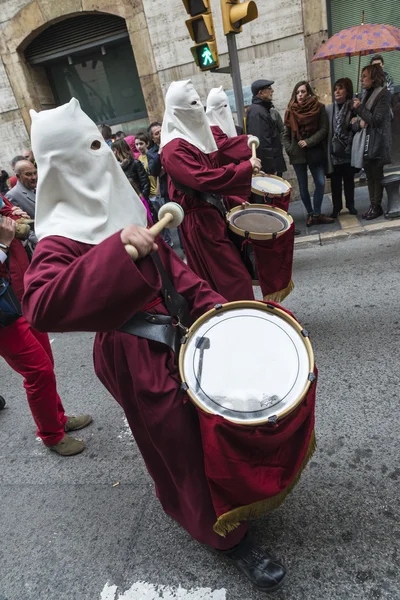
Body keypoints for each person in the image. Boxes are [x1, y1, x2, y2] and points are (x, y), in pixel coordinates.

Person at [22, 98, 293, 591]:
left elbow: (172, 273)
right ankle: (227, 537)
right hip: (133, 352)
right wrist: (113, 252)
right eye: (89, 149)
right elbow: (40, 305)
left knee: (225, 417)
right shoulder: (57, 239)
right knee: (180, 444)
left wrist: (227, 313)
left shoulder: (121, 204)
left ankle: (235, 494)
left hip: (182, 333)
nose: (100, 157)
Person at [0, 198, 92, 456]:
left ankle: (57, 419)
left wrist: (13, 213)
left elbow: (9, 211)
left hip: (22, 298)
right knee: (38, 371)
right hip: (4, 315)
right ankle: (52, 435)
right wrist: (3, 243)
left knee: (46, 367)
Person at [160, 80, 260, 301]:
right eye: (192, 105)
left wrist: (232, 196)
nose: (197, 109)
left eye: (198, 103)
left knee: (227, 278)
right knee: (233, 280)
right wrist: (245, 168)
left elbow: (217, 154)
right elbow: (201, 179)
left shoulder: (190, 138)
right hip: (199, 223)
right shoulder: (173, 148)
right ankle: (241, 321)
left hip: (211, 215)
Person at [283, 81, 333, 226]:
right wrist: (290, 149)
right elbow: (285, 134)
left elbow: (324, 129)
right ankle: (311, 214)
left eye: (303, 92)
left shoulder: (319, 108)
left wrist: (309, 141)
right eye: (297, 92)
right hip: (297, 154)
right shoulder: (290, 111)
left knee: (320, 182)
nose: (300, 95)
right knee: (303, 186)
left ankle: (317, 213)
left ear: (308, 93)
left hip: (314, 151)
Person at [353, 64, 392, 220]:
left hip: (379, 141)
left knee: (376, 174)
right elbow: (364, 119)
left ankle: (376, 206)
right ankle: (373, 205)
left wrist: (360, 109)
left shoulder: (384, 94)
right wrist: (357, 117)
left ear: (374, 78)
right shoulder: (366, 94)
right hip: (367, 141)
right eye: (361, 76)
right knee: (369, 174)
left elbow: (376, 119)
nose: (362, 79)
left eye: (365, 76)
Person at [326, 78, 357, 218]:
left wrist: (355, 120)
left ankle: (350, 204)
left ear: (347, 91)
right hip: (334, 152)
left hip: (348, 150)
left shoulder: (353, 107)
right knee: (335, 183)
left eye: (341, 88)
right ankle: (336, 207)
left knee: (349, 180)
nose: (337, 91)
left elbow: (357, 128)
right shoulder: (330, 109)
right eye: (335, 88)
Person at [135, 131, 173, 246]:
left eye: (141, 143)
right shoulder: (139, 159)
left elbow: (157, 172)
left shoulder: (152, 155)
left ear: (147, 143)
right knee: (156, 219)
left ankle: (168, 240)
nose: (139, 147)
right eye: (136, 144)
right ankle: (164, 241)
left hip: (157, 191)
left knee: (164, 218)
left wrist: (157, 188)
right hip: (148, 193)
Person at [246, 79, 287, 177]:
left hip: (272, 164)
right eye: (269, 89)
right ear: (260, 93)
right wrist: (270, 169)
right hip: (269, 169)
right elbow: (262, 143)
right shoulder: (257, 112)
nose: (272, 91)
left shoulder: (262, 109)